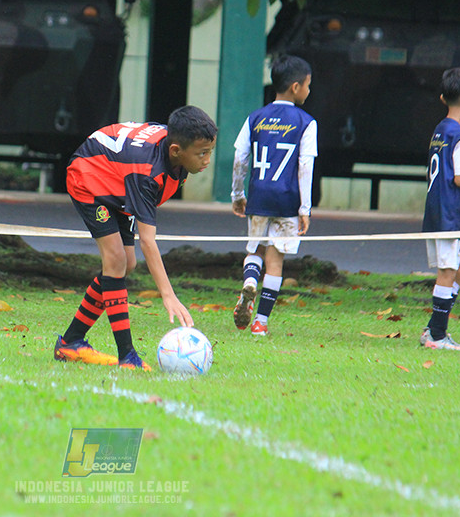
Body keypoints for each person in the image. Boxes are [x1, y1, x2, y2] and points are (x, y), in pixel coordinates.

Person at [55, 105, 218, 370]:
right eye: (202, 153)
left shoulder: (174, 152)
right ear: (176, 151)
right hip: (89, 178)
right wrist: (168, 294)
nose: (207, 160)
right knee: (117, 261)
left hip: (118, 183)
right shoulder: (147, 173)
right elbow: (148, 241)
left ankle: (71, 341)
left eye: (210, 152)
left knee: (126, 264)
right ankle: (126, 356)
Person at [230, 55, 317, 336]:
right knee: (276, 261)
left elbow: (240, 158)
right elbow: (305, 166)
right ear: (295, 87)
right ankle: (260, 322)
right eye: (307, 85)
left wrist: (237, 194)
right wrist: (305, 208)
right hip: (288, 200)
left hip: (260, 197)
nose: (308, 90)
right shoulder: (306, 122)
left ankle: (250, 282)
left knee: (255, 249)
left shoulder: (255, 117)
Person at [420, 68, 460, 351]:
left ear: (443, 97)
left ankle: (434, 327)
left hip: (438, 211)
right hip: (449, 214)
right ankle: (436, 336)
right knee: (448, 270)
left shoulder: (439, 130)